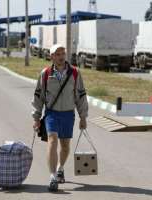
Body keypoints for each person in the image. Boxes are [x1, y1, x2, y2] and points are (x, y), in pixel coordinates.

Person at [32, 44, 88, 192]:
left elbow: (81, 96)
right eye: (58, 54)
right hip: (52, 113)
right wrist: (36, 117)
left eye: (63, 53)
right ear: (52, 57)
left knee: (65, 146)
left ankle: (60, 168)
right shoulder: (46, 73)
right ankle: (52, 177)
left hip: (68, 114)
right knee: (52, 140)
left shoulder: (75, 73)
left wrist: (83, 117)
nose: (61, 56)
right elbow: (39, 96)